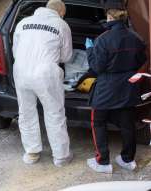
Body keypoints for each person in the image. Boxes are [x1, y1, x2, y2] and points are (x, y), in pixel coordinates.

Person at [85, 1, 147, 173]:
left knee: (98, 123)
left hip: (106, 89)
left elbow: (96, 68)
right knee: (127, 124)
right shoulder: (136, 37)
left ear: (109, 16)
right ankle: (127, 160)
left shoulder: (102, 40)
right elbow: (141, 60)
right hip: (128, 88)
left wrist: (89, 50)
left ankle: (102, 162)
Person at [12, 0, 73, 166]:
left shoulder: (23, 23)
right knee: (54, 112)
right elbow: (66, 57)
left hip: (21, 70)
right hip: (45, 73)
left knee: (26, 112)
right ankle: (61, 156)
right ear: (61, 13)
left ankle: (32, 153)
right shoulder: (61, 25)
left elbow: (15, 50)